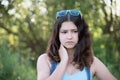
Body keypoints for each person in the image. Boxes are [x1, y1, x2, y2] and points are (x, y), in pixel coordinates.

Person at [37, 9, 117, 80]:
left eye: (75, 31)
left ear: (81, 33)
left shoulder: (91, 62)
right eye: (64, 32)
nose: (69, 37)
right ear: (57, 34)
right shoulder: (45, 60)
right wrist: (64, 61)